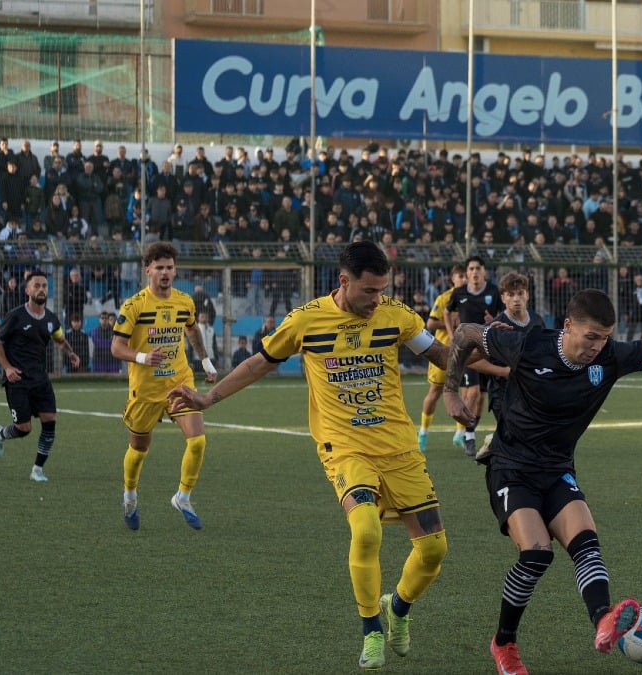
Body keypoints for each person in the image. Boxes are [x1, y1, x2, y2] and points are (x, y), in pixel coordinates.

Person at [166, 241, 481, 671]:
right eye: (369, 291)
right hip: (344, 446)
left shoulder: (395, 314)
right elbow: (260, 363)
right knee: (366, 530)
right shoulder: (307, 320)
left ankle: (398, 609)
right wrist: (208, 398)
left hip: (399, 447)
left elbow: (441, 354)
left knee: (433, 552)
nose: (377, 300)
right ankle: (371, 631)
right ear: (344, 282)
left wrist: (482, 366)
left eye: (382, 290)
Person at [441, 289, 642, 674]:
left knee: (586, 543)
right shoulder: (529, 344)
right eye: (591, 337)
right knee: (536, 555)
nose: (598, 347)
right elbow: (467, 331)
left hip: (556, 469)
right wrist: (451, 390)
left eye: (605, 337)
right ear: (568, 326)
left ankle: (604, 619)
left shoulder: (611, 356)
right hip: (511, 466)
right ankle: (504, 644)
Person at [110, 242, 219, 531]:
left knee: (198, 441)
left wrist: (206, 362)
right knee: (139, 447)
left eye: (169, 267)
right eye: (159, 267)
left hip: (180, 382)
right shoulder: (134, 306)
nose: (165, 272)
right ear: (148, 271)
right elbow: (117, 347)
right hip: (145, 390)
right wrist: (143, 357)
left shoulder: (184, 302)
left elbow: (193, 329)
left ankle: (183, 496)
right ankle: (130, 495)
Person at [0, 270, 81, 482]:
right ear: (27, 290)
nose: (41, 289)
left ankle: (37, 470)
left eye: (44, 286)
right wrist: (7, 367)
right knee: (24, 428)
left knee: (50, 421)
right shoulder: (16, 316)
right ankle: (1, 434)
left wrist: (71, 353)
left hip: (40, 378)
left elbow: (59, 339)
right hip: (17, 380)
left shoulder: (50, 319)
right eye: (37, 286)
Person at [473, 271, 545, 463]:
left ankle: (496, 443)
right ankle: (498, 448)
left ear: (527, 295)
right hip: (502, 393)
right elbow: (473, 360)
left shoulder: (538, 322)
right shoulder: (496, 326)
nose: (516, 299)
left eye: (520, 293)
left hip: (530, 393)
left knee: (530, 441)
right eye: (511, 295)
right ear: (503, 298)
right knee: (519, 441)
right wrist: (503, 371)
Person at [445, 255, 504, 457]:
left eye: (478, 268)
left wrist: (493, 319)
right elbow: (447, 311)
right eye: (471, 269)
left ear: (484, 271)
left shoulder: (494, 292)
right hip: (468, 352)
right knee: (473, 393)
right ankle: (469, 437)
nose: (475, 272)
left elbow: (502, 318)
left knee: (481, 398)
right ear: (467, 272)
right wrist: (453, 336)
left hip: (489, 350)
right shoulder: (458, 292)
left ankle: (469, 431)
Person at [417, 264, 466, 453]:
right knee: (435, 392)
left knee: (467, 392)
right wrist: (451, 323)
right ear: (452, 279)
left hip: (465, 353)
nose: (463, 279)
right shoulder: (444, 298)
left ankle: (460, 434)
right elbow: (430, 323)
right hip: (444, 352)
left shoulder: (472, 298)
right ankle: (423, 432)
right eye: (459, 276)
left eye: (465, 275)